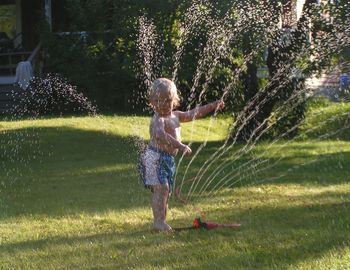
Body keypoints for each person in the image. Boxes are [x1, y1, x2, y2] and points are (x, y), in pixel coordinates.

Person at [138, 78, 225, 231]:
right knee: (162, 189)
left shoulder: (176, 115)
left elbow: (193, 114)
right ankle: (158, 222)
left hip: (167, 159)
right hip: (153, 157)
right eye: (158, 101)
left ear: (175, 100)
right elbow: (160, 135)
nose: (163, 104)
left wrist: (212, 106)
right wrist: (180, 145)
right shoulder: (158, 119)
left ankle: (161, 222)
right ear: (151, 101)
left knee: (166, 192)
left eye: (167, 100)